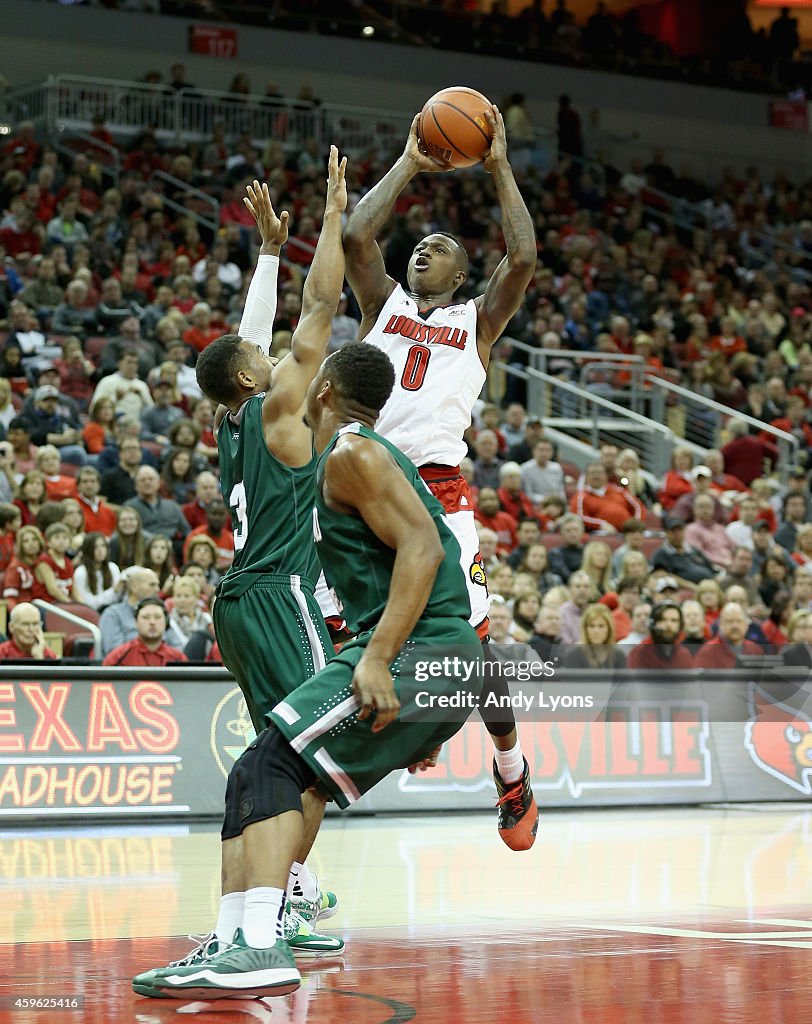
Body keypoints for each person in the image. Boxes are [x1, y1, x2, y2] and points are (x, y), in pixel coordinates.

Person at [133, 342, 490, 1000]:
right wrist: (435, 728)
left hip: (416, 648)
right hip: (430, 655)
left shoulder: (354, 452)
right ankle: (236, 938)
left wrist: (382, 660)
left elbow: (420, 548)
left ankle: (263, 942)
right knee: (259, 769)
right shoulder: (337, 460)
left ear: (323, 388)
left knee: (270, 763)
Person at [342, 107, 538, 845]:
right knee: (347, 634)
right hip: (362, 484)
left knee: (477, 648)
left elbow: (522, 258)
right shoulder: (382, 303)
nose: (424, 250)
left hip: (438, 491)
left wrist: (497, 167)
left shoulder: (477, 322)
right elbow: (358, 236)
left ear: (462, 275)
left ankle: (511, 767)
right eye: (419, 244)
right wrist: (409, 161)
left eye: (441, 247)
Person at [192, 156, 347, 952]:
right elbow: (320, 306)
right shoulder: (279, 407)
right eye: (264, 354)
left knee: (276, 752)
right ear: (255, 376)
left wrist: (266, 253)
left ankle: (300, 894)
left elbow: (247, 339)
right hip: (284, 593)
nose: (274, 350)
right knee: (319, 754)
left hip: (237, 604)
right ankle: (273, 916)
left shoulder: (229, 419)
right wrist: (331, 216)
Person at [103, 598, 189, 667]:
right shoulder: (119, 656)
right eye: (145, 617)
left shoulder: (178, 658)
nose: (152, 622)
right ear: (136, 622)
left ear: (166, 622)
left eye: (157, 617)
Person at [693, 602, 763, 669]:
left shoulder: (755, 650)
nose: (735, 626)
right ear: (720, 625)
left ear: (746, 625)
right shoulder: (707, 652)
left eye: (739, 621)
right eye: (730, 621)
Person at [627, 602, 694, 670]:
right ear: (653, 623)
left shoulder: (684, 654)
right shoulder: (639, 653)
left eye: (674, 620)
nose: (669, 625)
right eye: (663, 620)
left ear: (680, 625)